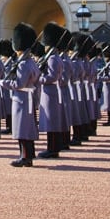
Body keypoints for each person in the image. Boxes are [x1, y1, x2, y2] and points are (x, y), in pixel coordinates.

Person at [0, 22, 40, 167]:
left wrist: (3, 83)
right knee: (27, 128)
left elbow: (19, 84)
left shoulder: (23, 64)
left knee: (22, 128)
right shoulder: (29, 61)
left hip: (22, 98)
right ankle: (28, 155)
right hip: (26, 98)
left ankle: (24, 157)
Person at [37, 22, 68, 159]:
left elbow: (52, 77)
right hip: (52, 92)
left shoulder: (53, 59)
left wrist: (39, 78)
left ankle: (52, 149)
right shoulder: (54, 57)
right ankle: (52, 147)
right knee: (52, 121)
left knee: (52, 121)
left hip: (51, 93)